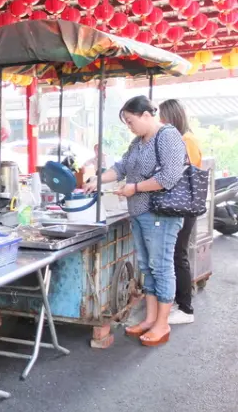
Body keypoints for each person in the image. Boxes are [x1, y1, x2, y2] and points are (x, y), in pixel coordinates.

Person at [84, 96, 186, 347]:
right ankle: (150, 319)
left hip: (161, 214)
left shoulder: (168, 136)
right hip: (140, 213)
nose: (129, 127)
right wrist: (97, 180)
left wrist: (135, 188)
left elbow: (169, 176)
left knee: (161, 267)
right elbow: (121, 167)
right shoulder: (138, 142)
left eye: (131, 121)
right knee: (147, 267)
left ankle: (162, 324)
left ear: (146, 115)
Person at [159, 98, 203, 325]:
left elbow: (183, 174)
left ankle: (186, 309)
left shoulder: (187, 140)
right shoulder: (183, 139)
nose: (160, 122)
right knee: (176, 254)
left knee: (179, 254)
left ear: (171, 118)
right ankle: (179, 302)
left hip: (184, 206)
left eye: (163, 118)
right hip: (183, 205)